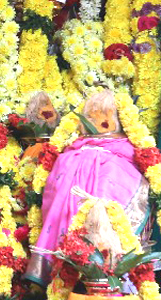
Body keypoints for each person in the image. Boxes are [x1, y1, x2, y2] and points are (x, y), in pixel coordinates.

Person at [26, 90, 149, 283]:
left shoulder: (70, 157)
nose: (98, 119)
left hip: (85, 252)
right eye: (93, 115)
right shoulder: (77, 157)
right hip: (98, 264)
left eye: (103, 114)